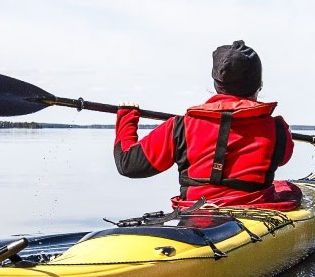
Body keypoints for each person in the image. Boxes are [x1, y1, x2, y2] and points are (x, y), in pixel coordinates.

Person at [114, 40, 301, 211]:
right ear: (258, 86)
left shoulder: (180, 126)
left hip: (194, 212)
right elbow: (283, 158)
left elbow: (128, 164)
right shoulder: (277, 129)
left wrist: (126, 117)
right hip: (256, 210)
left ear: (217, 84)